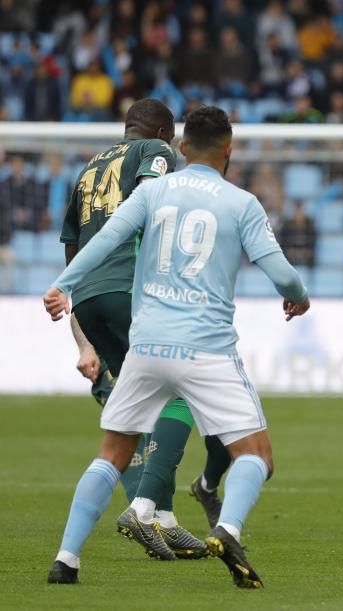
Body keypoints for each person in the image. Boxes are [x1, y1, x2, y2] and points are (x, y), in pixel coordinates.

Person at [45, 106, 311, 588]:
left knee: (112, 453)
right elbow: (282, 273)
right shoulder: (242, 203)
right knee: (257, 456)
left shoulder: (153, 191)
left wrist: (63, 285)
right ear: (229, 151)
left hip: (147, 346)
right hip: (206, 349)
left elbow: (105, 240)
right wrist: (298, 297)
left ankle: (66, 558)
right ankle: (226, 528)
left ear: (182, 147)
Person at [59, 98, 211, 559]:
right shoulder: (154, 153)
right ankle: (150, 512)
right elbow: (153, 205)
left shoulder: (89, 168)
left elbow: (72, 244)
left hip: (87, 297)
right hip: (132, 291)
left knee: (137, 408)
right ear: (165, 133)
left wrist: (80, 312)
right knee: (180, 393)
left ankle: (159, 520)